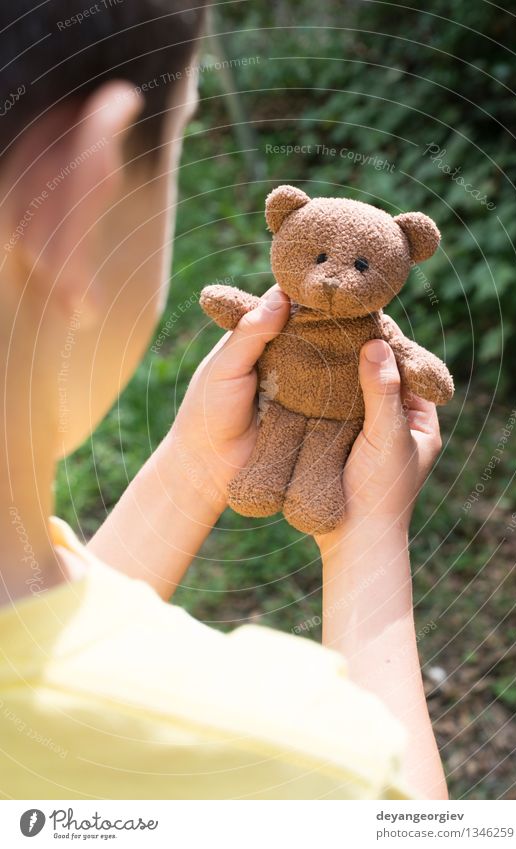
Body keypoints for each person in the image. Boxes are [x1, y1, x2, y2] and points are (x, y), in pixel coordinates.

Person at [0, 2, 447, 800]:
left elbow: (55, 650)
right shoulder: (293, 760)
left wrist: (193, 469)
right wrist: (365, 534)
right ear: (75, 191)